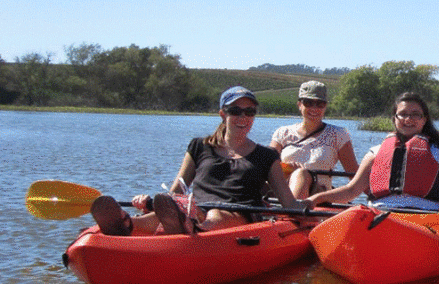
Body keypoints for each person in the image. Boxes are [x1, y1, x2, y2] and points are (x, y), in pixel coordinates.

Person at [89, 86, 303, 235]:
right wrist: (153, 203)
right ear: (223, 114)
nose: (243, 117)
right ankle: (127, 224)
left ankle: (192, 229)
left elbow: (288, 203)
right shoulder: (199, 146)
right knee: (175, 211)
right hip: (196, 209)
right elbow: (179, 188)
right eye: (235, 111)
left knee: (216, 214)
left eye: (250, 112)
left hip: (241, 214)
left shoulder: (267, 156)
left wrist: (311, 204)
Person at [306, 92, 439, 212]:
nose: (408, 119)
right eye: (402, 114)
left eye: (415, 115)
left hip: (427, 215)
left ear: (424, 120)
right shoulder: (375, 152)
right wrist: (316, 198)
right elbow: (352, 190)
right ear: (394, 118)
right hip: (381, 214)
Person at [270, 80, 358, 199]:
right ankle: (291, 210)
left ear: (325, 106)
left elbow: (356, 178)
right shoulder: (282, 133)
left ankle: (294, 211)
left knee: (302, 173)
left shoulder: (338, 134)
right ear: (299, 104)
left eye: (319, 104)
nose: (314, 108)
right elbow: (267, 167)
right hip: (284, 193)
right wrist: (286, 168)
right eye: (308, 102)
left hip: (319, 198)